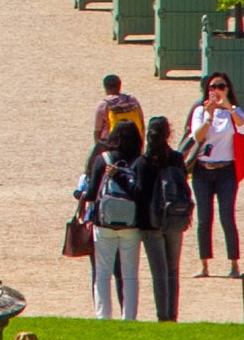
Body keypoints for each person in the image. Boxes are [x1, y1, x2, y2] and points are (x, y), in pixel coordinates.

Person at [185, 73, 244, 278]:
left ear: (228, 89)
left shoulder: (233, 111)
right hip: (203, 170)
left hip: (226, 171)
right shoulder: (200, 111)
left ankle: (234, 264)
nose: (217, 90)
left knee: (227, 217)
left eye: (221, 86)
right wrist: (209, 115)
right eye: (213, 87)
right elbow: (197, 136)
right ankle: (204, 265)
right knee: (204, 218)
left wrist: (229, 107)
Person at [82, 122, 145, 320]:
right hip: (131, 224)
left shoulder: (104, 159)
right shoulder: (139, 161)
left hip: (104, 222)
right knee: (130, 274)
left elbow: (92, 194)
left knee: (102, 273)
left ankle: (103, 316)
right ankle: (130, 316)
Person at [137, 115, 193, 322]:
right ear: (168, 134)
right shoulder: (176, 158)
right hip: (174, 219)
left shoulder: (143, 162)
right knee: (172, 270)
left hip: (150, 223)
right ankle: (172, 315)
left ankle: (162, 315)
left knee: (158, 273)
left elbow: (140, 192)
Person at [92, 74, 145, 147]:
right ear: (120, 86)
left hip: (112, 145)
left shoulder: (103, 105)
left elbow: (97, 131)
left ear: (105, 87)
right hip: (133, 143)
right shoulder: (132, 100)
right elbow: (141, 123)